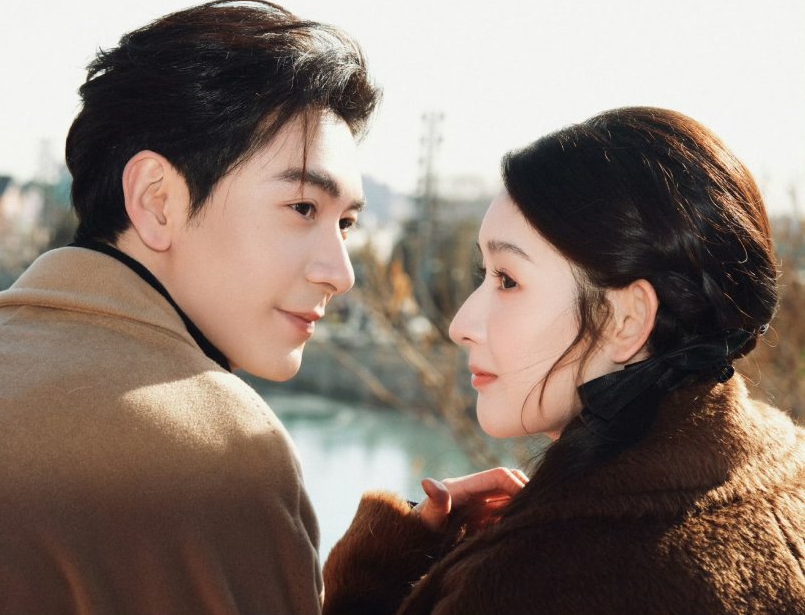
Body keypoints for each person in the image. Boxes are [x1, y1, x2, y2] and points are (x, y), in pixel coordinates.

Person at [0, 0, 379, 613]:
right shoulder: (221, 450)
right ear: (157, 200)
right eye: (303, 208)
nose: (340, 273)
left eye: (346, 224)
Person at [323, 107, 805, 614]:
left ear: (626, 319)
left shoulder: (538, 582)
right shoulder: (784, 478)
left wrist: (376, 579)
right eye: (484, 274)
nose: (460, 324)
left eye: (508, 280)